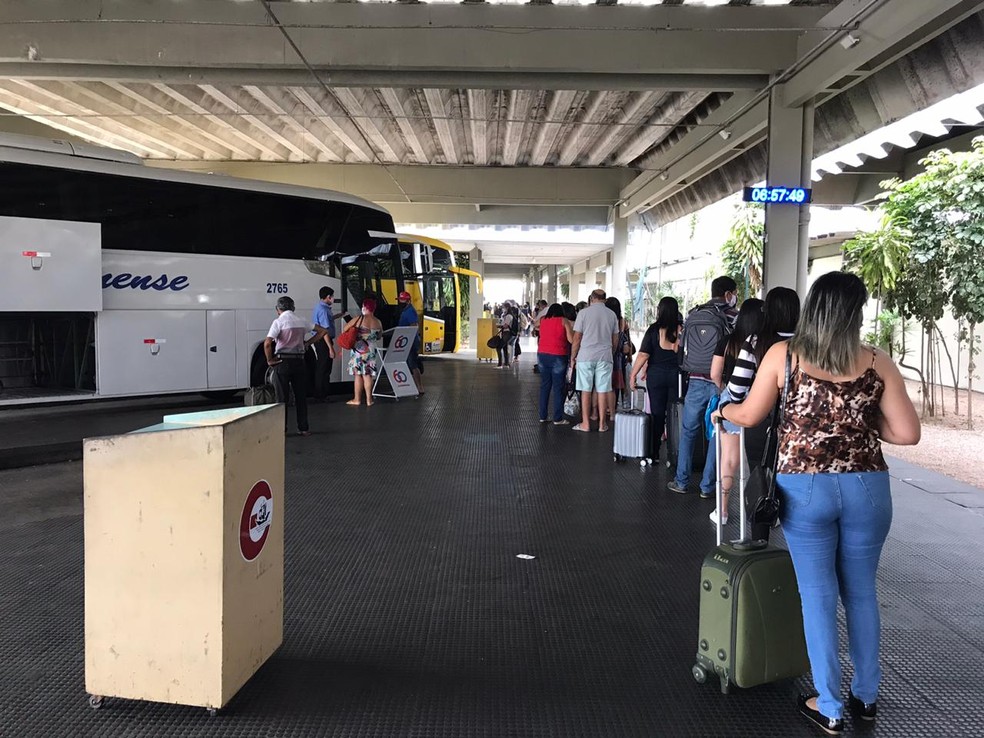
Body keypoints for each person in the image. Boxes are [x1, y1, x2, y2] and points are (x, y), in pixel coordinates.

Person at [714, 271, 920, 734]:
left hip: (805, 487)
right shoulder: (876, 361)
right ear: (854, 314)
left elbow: (749, 414)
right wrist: (859, 430)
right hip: (868, 487)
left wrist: (722, 410)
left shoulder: (783, 356)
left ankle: (828, 704)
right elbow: (907, 433)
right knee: (862, 593)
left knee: (818, 597)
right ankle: (866, 698)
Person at [668, 276, 739, 497]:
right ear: (728, 294)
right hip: (721, 381)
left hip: (696, 377)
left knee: (688, 431)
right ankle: (708, 487)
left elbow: (681, 345)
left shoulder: (693, 313)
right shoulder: (733, 316)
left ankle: (681, 481)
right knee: (717, 432)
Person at [708, 298, 764, 525]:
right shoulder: (766, 344)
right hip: (761, 404)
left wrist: (725, 394)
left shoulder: (727, 341)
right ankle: (764, 508)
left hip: (732, 403)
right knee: (761, 461)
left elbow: (714, 374)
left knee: (729, 460)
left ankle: (721, 511)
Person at [264, 296, 327, 436]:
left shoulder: (278, 322)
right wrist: (307, 343)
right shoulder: (301, 321)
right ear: (293, 308)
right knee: (300, 396)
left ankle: (282, 430)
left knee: (282, 398)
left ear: (278, 310)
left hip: (282, 362)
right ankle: (303, 428)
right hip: (299, 362)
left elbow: (267, 343)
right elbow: (323, 331)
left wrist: (269, 360)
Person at [570, 289, 619, 432]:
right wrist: (611, 352)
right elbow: (615, 338)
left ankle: (585, 424)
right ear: (605, 299)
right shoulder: (612, 315)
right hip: (605, 356)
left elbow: (577, 337)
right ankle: (602, 424)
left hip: (586, 356)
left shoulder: (583, 313)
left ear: (592, 298)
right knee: (602, 390)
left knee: (586, 390)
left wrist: (573, 356)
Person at [536, 304, 574, 425]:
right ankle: (557, 418)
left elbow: (535, 324)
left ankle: (543, 416)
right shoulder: (564, 321)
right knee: (558, 387)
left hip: (542, 355)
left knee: (545, 386)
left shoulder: (543, 320)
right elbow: (571, 339)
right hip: (558, 355)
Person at [342, 297, 383, 406]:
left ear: (364, 307)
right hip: (371, 351)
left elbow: (345, 328)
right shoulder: (378, 321)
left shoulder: (358, 319)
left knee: (358, 375)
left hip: (359, 351)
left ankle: (357, 399)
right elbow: (379, 336)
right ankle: (369, 400)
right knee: (368, 375)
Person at [606, 296, 633, 414]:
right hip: (620, 356)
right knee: (616, 383)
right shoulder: (623, 321)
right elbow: (627, 337)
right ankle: (614, 407)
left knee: (605, 383)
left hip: (608, 353)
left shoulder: (606, 319)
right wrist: (630, 355)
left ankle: (606, 407)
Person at [310, 286, 337, 401]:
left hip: (319, 341)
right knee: (324, 368)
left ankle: (320, 394)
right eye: (332, 297)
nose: (333, 299)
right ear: (328, 297)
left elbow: (327, 321)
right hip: (323, 341)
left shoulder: (320, 307)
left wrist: (340, 315)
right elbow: (324, 331)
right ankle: (321, 394)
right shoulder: (324, 310)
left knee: (322, 367)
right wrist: (331, 348)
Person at [397, 290, 424, 393]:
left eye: (402, 300)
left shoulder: (410, 311)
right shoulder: (405, 311)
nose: (400, 302)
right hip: (405, 341)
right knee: (409, 363)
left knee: (412, 364)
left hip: (410, 342)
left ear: (407, 301)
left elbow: (414, 326)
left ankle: (419, 387)